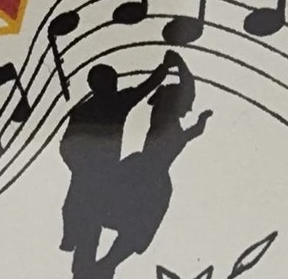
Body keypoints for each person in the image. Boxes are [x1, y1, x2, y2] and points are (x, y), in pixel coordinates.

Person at [59, 51, 184, 277]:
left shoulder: (85, 109)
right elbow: (145, 88)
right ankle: (99, 266)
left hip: (95, 181)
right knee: (106, 228)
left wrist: (80, 167)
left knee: (90, 235)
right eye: (111, 82)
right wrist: (164, 68)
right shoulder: (114, 103)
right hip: (101, 180)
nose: (114, 86)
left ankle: (97, 266)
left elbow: (65, 147)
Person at [91, 53, 213, 279]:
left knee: (132, 228)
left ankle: (106, 265)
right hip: (146, 176)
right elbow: (189, 90)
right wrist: (180, 64)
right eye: (184, 101)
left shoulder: (167, 121)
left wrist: (197, 128)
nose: (188, 106)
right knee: (132, 226)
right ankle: (105, 263)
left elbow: (179, 138)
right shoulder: (164, 118)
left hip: (148, 175)